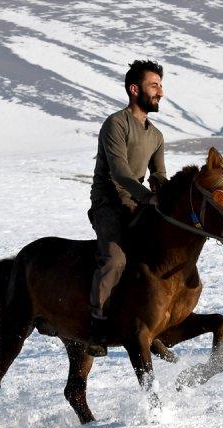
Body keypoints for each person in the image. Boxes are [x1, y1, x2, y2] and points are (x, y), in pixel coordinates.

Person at [87, 60, 167, 357]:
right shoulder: (115, 124)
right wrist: (148, 197)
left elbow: (158, 174)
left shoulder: (156, 136)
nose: (160, 92)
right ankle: (96, 324)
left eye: (160, 85)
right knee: (116, 260)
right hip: (109, 202)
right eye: (154, 85)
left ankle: (152, 324)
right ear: (135, 90)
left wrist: (163, 190)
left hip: (138, 204)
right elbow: (120, 172)